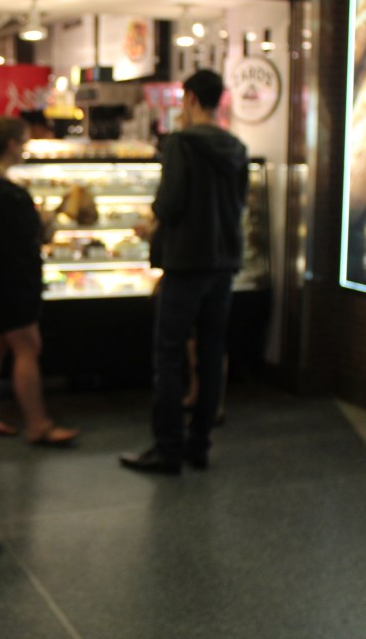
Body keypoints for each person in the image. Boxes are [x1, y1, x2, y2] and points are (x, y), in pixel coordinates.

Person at [120, 69, 248, 475]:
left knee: (170, 355)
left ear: (190, 98)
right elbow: (240, 203)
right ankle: (199, 445)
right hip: (223, 262)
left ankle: (168, 448)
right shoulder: (236, 146)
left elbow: (170, 202)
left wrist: (152, 222)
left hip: (186, 261)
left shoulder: (182, 143)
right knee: (210, 353)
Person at [0, 116, 79, 447]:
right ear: (12, 144)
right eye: (24, 143)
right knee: (28, 346)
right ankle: (38, 424)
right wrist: (47, 220)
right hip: (13, 279)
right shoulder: (7, 191)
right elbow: (34, 234)